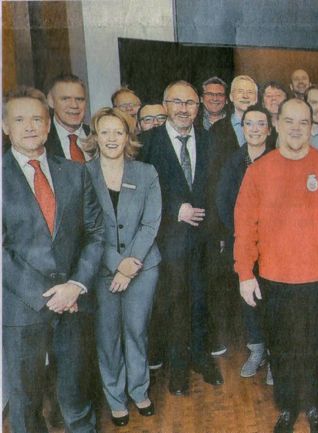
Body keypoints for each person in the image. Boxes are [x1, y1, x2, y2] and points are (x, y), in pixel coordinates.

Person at [234, 98, 318, 433]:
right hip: (274, 278)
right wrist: (245, 273)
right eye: (289, 121)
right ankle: (287, 406)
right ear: (277, 124)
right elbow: (244, 227)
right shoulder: (259, 171)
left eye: (304, 122)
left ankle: (314, 406)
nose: (296, 128)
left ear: (312, 127)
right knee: (282, 346)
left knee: (317, 345)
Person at [3, 87, 104, 433]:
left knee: (77, 398)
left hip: (74, 304)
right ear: (5, 126)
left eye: (37, 119)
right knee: (26, 406)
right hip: (22, 309)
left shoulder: (75, 172)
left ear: (49, 125)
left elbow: (95, 233)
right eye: (20, 120)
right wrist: (47, 296)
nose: (30, 127)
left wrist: (76, 285)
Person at [138, 80, 223, 394]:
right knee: (173, 302)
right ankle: (177, 368)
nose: (184, 109)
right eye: (177, 102)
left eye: (190, 103)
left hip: (205, 238)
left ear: (198, 107)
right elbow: (140, 193)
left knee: (202, 299)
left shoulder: (211, 140)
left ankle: (201, 357)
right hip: (167, 238)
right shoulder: (147, 142)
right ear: (165, 105)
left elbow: (218, 189)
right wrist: (176, 209)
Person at [83, 107, 161, 426]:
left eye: (119, 131)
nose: (112, 138)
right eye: (105, 132)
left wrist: (129, 267)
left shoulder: (146, 172)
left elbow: (151, 223)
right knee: (107, 336)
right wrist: (117, 264)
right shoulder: (82, 174)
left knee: (136, 331)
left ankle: (139, 389)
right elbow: (86, 230)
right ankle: (116, 398)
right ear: (96, 137)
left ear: (128, 136)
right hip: (100, 269)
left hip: (143, 267)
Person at [215, 105, 274, 381]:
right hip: (243, 241)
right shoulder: (233, 161)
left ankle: (275, 356)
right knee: (249, 297)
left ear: (269, 129)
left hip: (275, 245)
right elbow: (223, 201)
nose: (254, 129)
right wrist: (243, 232)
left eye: (260, 124)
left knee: (273, 299)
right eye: (249, 124)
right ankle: (257, 348)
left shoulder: (279, 158)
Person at [44, 73, 90, 161]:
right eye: (65, 99)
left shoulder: (98, 136)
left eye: (79, 99)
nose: (74, 105)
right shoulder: (41, 141)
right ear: (51, 101)